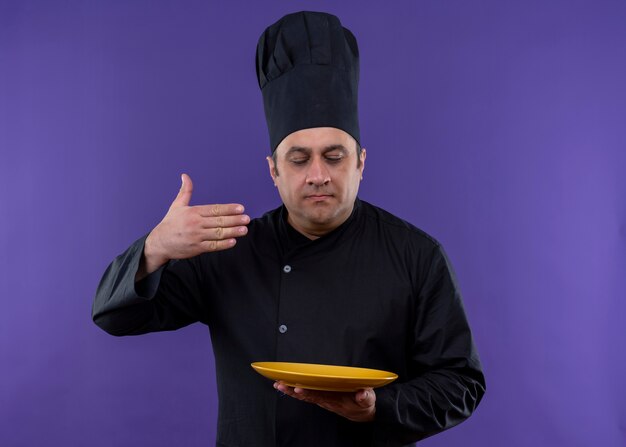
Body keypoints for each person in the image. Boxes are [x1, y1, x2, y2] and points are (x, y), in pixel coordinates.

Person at [93, 11, 485, 447]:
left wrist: (380, 407)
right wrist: (155, 248)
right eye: (299, 160)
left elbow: (460, 383)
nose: (317, 174)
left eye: (334, 156)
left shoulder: (417, 255)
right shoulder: (228, 249)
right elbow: (113, 316)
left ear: (360, 163)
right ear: (273, 171)